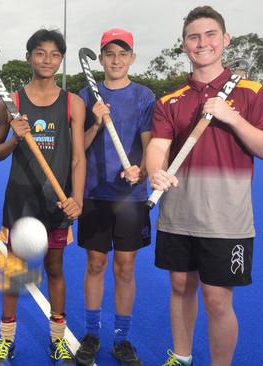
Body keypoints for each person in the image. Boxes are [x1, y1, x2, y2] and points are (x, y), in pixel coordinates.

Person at [145, 6, 263, 366]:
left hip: (227, 219)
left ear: (225, 40)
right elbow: (157, 148)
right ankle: (182, 356)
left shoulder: (253, 93)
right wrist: (154, 172)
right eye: (193, 36)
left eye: (209, 35)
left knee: (217, 298)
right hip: (177, 215)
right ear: (184, 45)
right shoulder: (169, 101)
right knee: (180, 287)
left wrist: (231, 117)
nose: (201, 42)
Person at [0, 29, 86, 366]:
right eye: (40, 53)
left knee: (55, 268)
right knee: (13, 271)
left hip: (55, 201)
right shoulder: (10, 103)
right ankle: (6, 340)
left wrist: (78, 198)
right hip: (20, 201)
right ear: (29, 56)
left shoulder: (73, 102)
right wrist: (15, 139)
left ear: (61, 60)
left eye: (54, 54)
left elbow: (77, 157)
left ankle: (58, 340)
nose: (47, 60)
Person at [74, 29, 155, 366]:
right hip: (95, 193)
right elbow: (79, 146)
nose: (116, 60)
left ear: (132, 58)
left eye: (122, 54)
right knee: (95, 264)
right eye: (109, 54)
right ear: (101, 58)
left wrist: (142, 170)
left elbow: (152, 145)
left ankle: (122, 340)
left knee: (125, 268)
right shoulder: (84, 94)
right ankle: (92, 333)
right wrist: (95, 121)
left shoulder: (145, 96)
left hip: (131, 196)